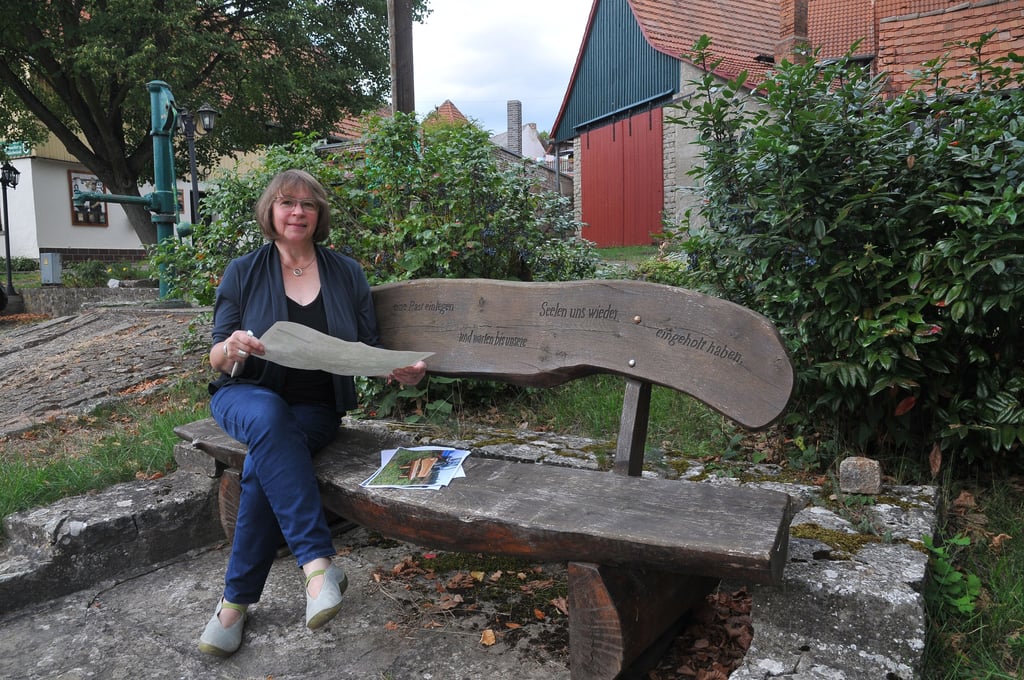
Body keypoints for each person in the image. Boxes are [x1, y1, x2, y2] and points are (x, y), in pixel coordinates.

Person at [198, 168, 426, 656]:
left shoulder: (346, 272)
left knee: (263, 461)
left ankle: (234, 603)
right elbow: (217, 355)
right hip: (246, 395)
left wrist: (398, 370)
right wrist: (233, 345)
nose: (297, 211)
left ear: (319, 214)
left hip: (316, 405)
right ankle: (317, 566)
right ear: (271, 211)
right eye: (286, 202)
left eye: (307, 204)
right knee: (269, 419)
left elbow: (368, 348)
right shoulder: (244, 270)